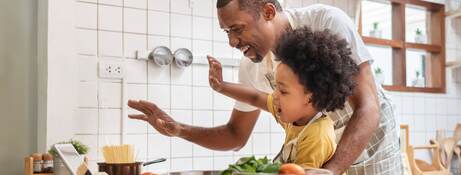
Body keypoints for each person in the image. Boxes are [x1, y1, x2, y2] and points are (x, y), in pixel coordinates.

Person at [128, 0, 401, 174]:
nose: (232, 42)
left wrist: (332, 170)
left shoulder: (327, 22)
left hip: (371, 145)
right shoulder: (252, 65)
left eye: (237, 29)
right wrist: (178, 129)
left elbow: (367, 106)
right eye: (227, 32)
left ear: (268, 11)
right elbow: (236, 135)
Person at [209, 27, 358, 168]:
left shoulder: (317, 136)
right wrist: (221, 86)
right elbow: (254, 97)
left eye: (283, 91)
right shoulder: (296, 116)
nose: (274, 95)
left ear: (310, 98)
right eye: (276, 87)